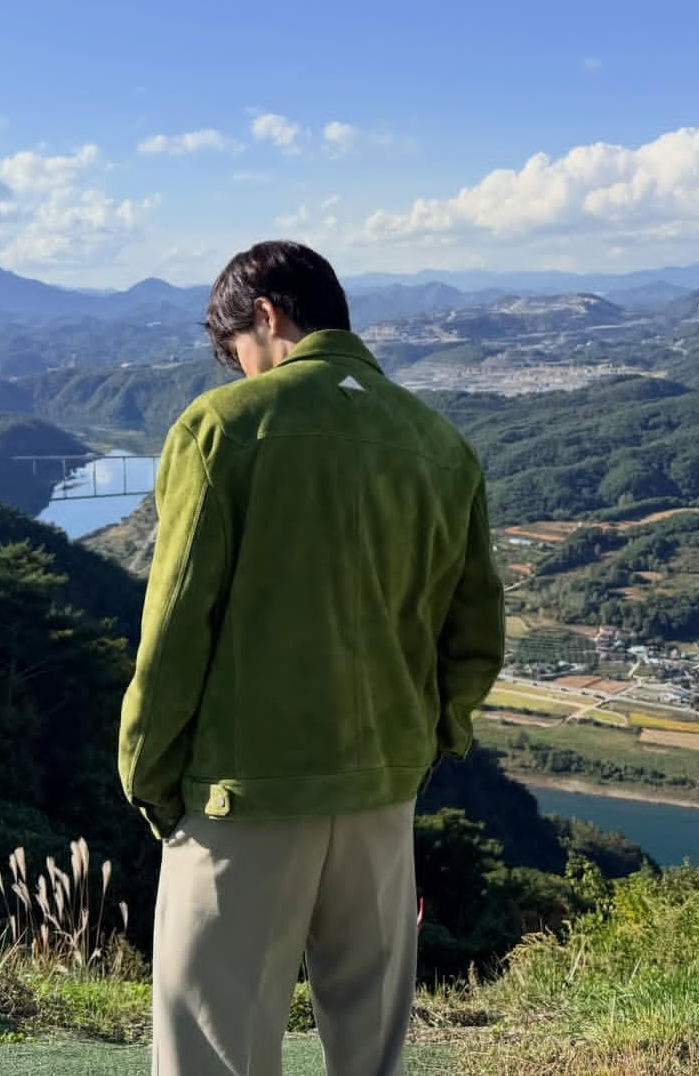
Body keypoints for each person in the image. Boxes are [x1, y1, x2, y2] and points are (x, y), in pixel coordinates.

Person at [117, 240, 505, 1076]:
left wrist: (150, 778)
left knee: (216, 1053)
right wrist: (429, 740)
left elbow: (176, 628)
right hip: (382, 793)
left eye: (238, 357)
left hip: (241, 794)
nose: (239, 374)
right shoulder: (439, 445)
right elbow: (474, 639)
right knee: (368, 1051)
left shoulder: (223, 429)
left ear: (268, 315)